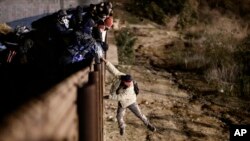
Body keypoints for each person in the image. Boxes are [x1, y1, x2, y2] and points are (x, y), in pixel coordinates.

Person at [102, 57, 156, 136]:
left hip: (131, 102)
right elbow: (113, 70)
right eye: (128, 82)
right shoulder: (121, 76)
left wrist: (108, 97)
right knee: (119, 117)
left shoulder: (130, 88)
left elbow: (119, 97)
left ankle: (148, 124)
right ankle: (122, 127)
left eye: (130, 82)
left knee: (139, 115)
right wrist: (106, 62)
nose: (130, 83)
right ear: (124, 81)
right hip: (122, 103)